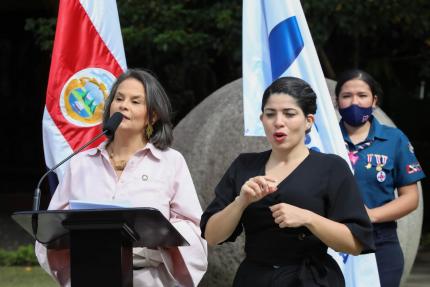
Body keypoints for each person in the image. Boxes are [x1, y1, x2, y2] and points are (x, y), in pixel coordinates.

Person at [35, 68, 208, 287]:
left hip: (148, 279)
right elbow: (51, 227)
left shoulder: (171, 162)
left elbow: (193, 227)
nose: (123, 105)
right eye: (119, 98)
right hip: (90, 276)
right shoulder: (81, 163)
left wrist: (155, 235)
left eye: (135, 101)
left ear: (152, 116)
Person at [200, 76, 375, 286]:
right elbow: (211, 236)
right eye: (270, 114)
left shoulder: (331, 167)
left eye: (289, 114)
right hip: (254, 279)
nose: (278, 122)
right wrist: (241, 202)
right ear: (261, 119)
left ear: (309, 121)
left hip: (311, 279)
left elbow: (355, 243)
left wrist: (309, 218)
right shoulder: (244, 165)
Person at [335, 69, 426, 287]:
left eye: (362, 95)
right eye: (346, 96)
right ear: (336, 102)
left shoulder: (394, 139)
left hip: (381, 243)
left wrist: (371, 215)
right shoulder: (323, 140)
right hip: (332, 241)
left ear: (374, 100)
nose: (354, 102)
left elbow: (410, 198)